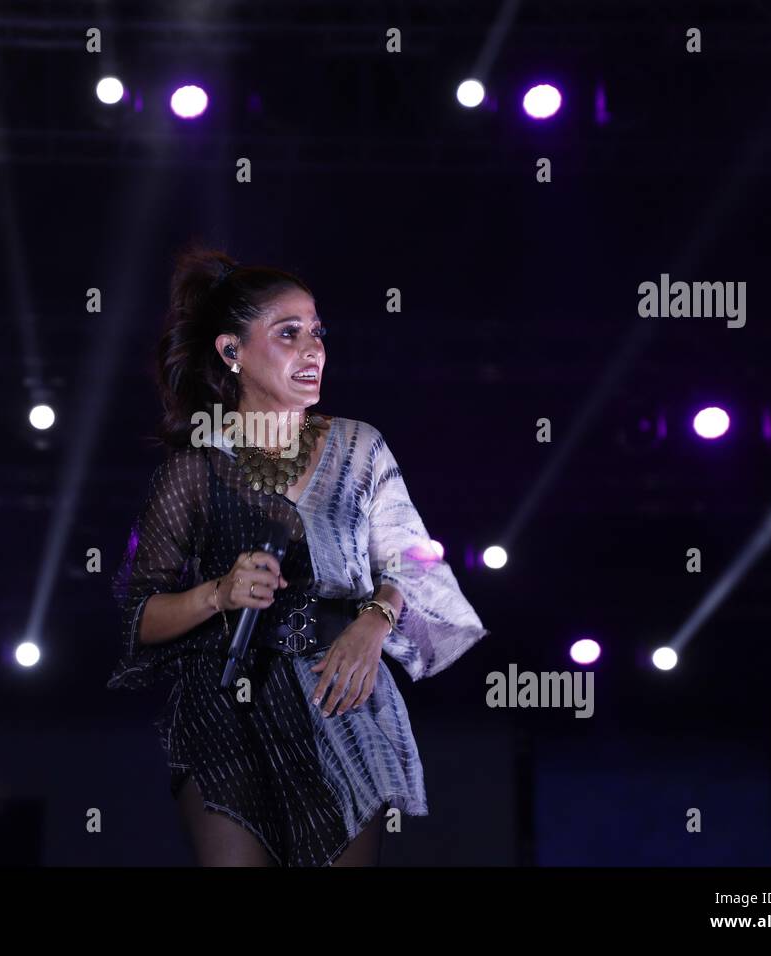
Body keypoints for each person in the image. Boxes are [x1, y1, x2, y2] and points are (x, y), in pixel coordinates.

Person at [107, 245, 488, 866]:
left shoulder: (360, 446)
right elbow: (138, 617)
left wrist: (375, 619)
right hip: (225, 709)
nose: (314, 351)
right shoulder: (194, 469)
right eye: (290, 334)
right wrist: (217, 593)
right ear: (232, 352)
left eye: (318, 333)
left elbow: (415, 562)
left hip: (338, 696)